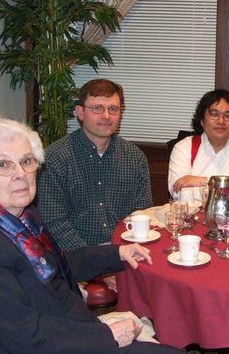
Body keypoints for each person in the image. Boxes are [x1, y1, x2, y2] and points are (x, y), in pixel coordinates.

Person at [0, 119, 197, 354]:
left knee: (155, 349)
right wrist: (105, 336)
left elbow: (55, 265)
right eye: (3, 164)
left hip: (62, 333)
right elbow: (24, 335)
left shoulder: (18, 217)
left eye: (26, 161)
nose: (20, 174)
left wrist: (116, 253)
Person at [37, 78, 153, 251]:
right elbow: (54, 222)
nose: (106, 116)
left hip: (126, 250)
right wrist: (96, 260)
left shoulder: (134, 157)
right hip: (76, 257)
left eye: (113, 109)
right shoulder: (55, 158)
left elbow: (142, 213)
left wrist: (123, 253)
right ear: (80, 112)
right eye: (97, 108)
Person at [168, 89, 229, 200]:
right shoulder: (184, 147)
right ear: (202, 120)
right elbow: (178, 192)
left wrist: (203, 181)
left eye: (228, 116)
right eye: (214, 114)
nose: (221, 121)